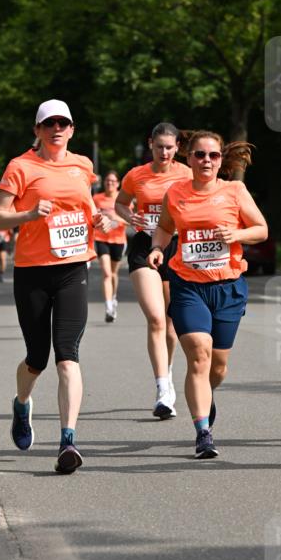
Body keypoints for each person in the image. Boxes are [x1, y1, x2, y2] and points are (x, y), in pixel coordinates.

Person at [0, 99, 111, 474]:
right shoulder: (20, 167)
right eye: (49, 123)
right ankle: (22, 404)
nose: (57, 129)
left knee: (67, 355)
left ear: (72, 129)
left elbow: (86, 206)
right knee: (37, 357)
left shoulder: (82, 165)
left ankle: (68, 441)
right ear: (37, 130)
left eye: (64, 123)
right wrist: (28, 214)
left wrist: (99, 218)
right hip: (32, 271)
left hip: (74, 268)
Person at [148, 130, 267, 458]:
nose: (206, 161)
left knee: (217, 368)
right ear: (189, 158)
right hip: (187, 285)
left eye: (213, 156)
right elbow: (165, 227)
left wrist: (237, 233)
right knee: (198, 353)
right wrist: (158, 247)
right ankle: (203, 432)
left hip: (227, 287)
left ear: (220, 160)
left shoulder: (234, 190)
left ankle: (204, 396)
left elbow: (262, 229)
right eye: (200, 155)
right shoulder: (176, 192)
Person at [115, 123, 192, 418]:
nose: (164, 152)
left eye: (170, 147)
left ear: (177, 148)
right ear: (150, 144)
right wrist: (129, 215)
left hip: (177, 249)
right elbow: (120, 203)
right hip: (145, 246)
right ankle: (162, 390)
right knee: (157, 319)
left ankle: (167, 374)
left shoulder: (186, 173)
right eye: (159, 146)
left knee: (172, 325)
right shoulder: (136, 175)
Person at [93, 171, 127, 322]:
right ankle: (108, 307)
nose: (110, 183)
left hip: (118, 240)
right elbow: (91, 217)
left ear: (118, 184)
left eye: (113, 181)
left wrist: (116, 218)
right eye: (107, 181)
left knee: (113, 274)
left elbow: (131, 221)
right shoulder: (97, 198)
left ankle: (113, 298)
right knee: (106, 273)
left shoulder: (123, 199)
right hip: (101, 239)